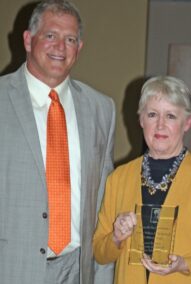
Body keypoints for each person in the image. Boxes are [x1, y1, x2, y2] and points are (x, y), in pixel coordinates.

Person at [0, 0, 115, 283]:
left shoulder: (102, 108)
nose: (60, 47)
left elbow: (104, 201)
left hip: (78, 270)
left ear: (80, 48)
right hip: (12, 268)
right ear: (28, 40)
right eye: (51, 35)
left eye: (70, 39)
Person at [93, 76, 191, 284]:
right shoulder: (118, 178)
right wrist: (116, 237)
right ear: (141, 120)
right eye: (152, 114)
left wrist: (184, 263)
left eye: (171, 116)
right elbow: (100, 253)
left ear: (187, 123)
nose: (160, 125)